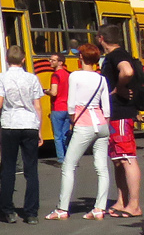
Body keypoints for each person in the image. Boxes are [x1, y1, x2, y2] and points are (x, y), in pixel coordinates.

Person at [0, 45, 46, 224]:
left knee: (8, 168)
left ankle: (8, 211)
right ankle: (31, 213)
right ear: (23, 60)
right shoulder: (32, 78)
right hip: (30, 123)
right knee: (31, 171)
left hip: (10, 124)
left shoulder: (1, 78)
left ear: (7, 60)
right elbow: (38, 106)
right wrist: (39, 130)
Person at [46, 44, 111, 219]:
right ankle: (99, 208)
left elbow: (71, 104)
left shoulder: (75, 76)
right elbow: (106, 108)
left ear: (81, 57)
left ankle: (62, 209)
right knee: (102, 168)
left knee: (68, 165)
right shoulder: (101, 79)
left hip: (84, 124)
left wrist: (74, 122)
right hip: (102, 124)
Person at [96, 23, 143, 218]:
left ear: (101, 39)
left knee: (127, 158)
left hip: (122, 113)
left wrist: (117, 87)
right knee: (117, 160)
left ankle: (134, 204)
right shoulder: (112, 56)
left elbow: (127, 71)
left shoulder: (117, 55)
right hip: (115, 114)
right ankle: (122, 200)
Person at [48, 51, 71, 163]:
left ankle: (61, 159)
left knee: (57, 136)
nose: (50, 62)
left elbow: (54, 92)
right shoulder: (68, 74)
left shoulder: (55, 75)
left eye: (53, 60)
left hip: (57, 108)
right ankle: (69, 158)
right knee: (66, 134)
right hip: (68, 108)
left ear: (60, 62)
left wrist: (46, 91)